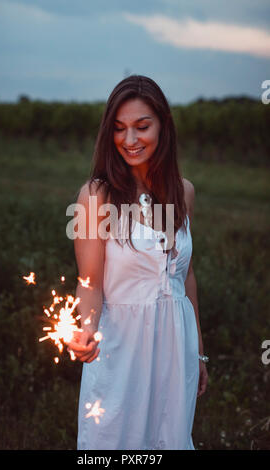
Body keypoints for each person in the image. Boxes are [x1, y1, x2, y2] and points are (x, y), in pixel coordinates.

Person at [67, 75, 208, 450]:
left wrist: (198, 352)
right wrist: (86, 328)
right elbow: (89, 283)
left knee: (171, 440)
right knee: (112, 442)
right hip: (120, 349)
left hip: (176, 348)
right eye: (119, 129)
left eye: (142, 127)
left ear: (163, 124)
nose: (129, 140)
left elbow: (185, 276)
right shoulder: (96, 196)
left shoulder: (183, 192)